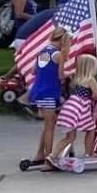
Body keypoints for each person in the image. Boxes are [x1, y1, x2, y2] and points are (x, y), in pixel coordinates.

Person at [49, 54, 97, 165]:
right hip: (80, 108)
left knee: (70, 137)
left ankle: (52, 155)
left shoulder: (75, 76)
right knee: (91, 129)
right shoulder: (90, 80)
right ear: (90, 67)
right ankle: (89, 153)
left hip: (70, 107)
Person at [27, 26, 71, 171]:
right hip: (50, 93)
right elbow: (60, 76)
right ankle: (48, 160)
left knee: (47, 126)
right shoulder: (58, 55)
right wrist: (69, 75)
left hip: (39, 91)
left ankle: (40, 154)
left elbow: (34, 71)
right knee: (50, 127)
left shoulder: (42, 52)